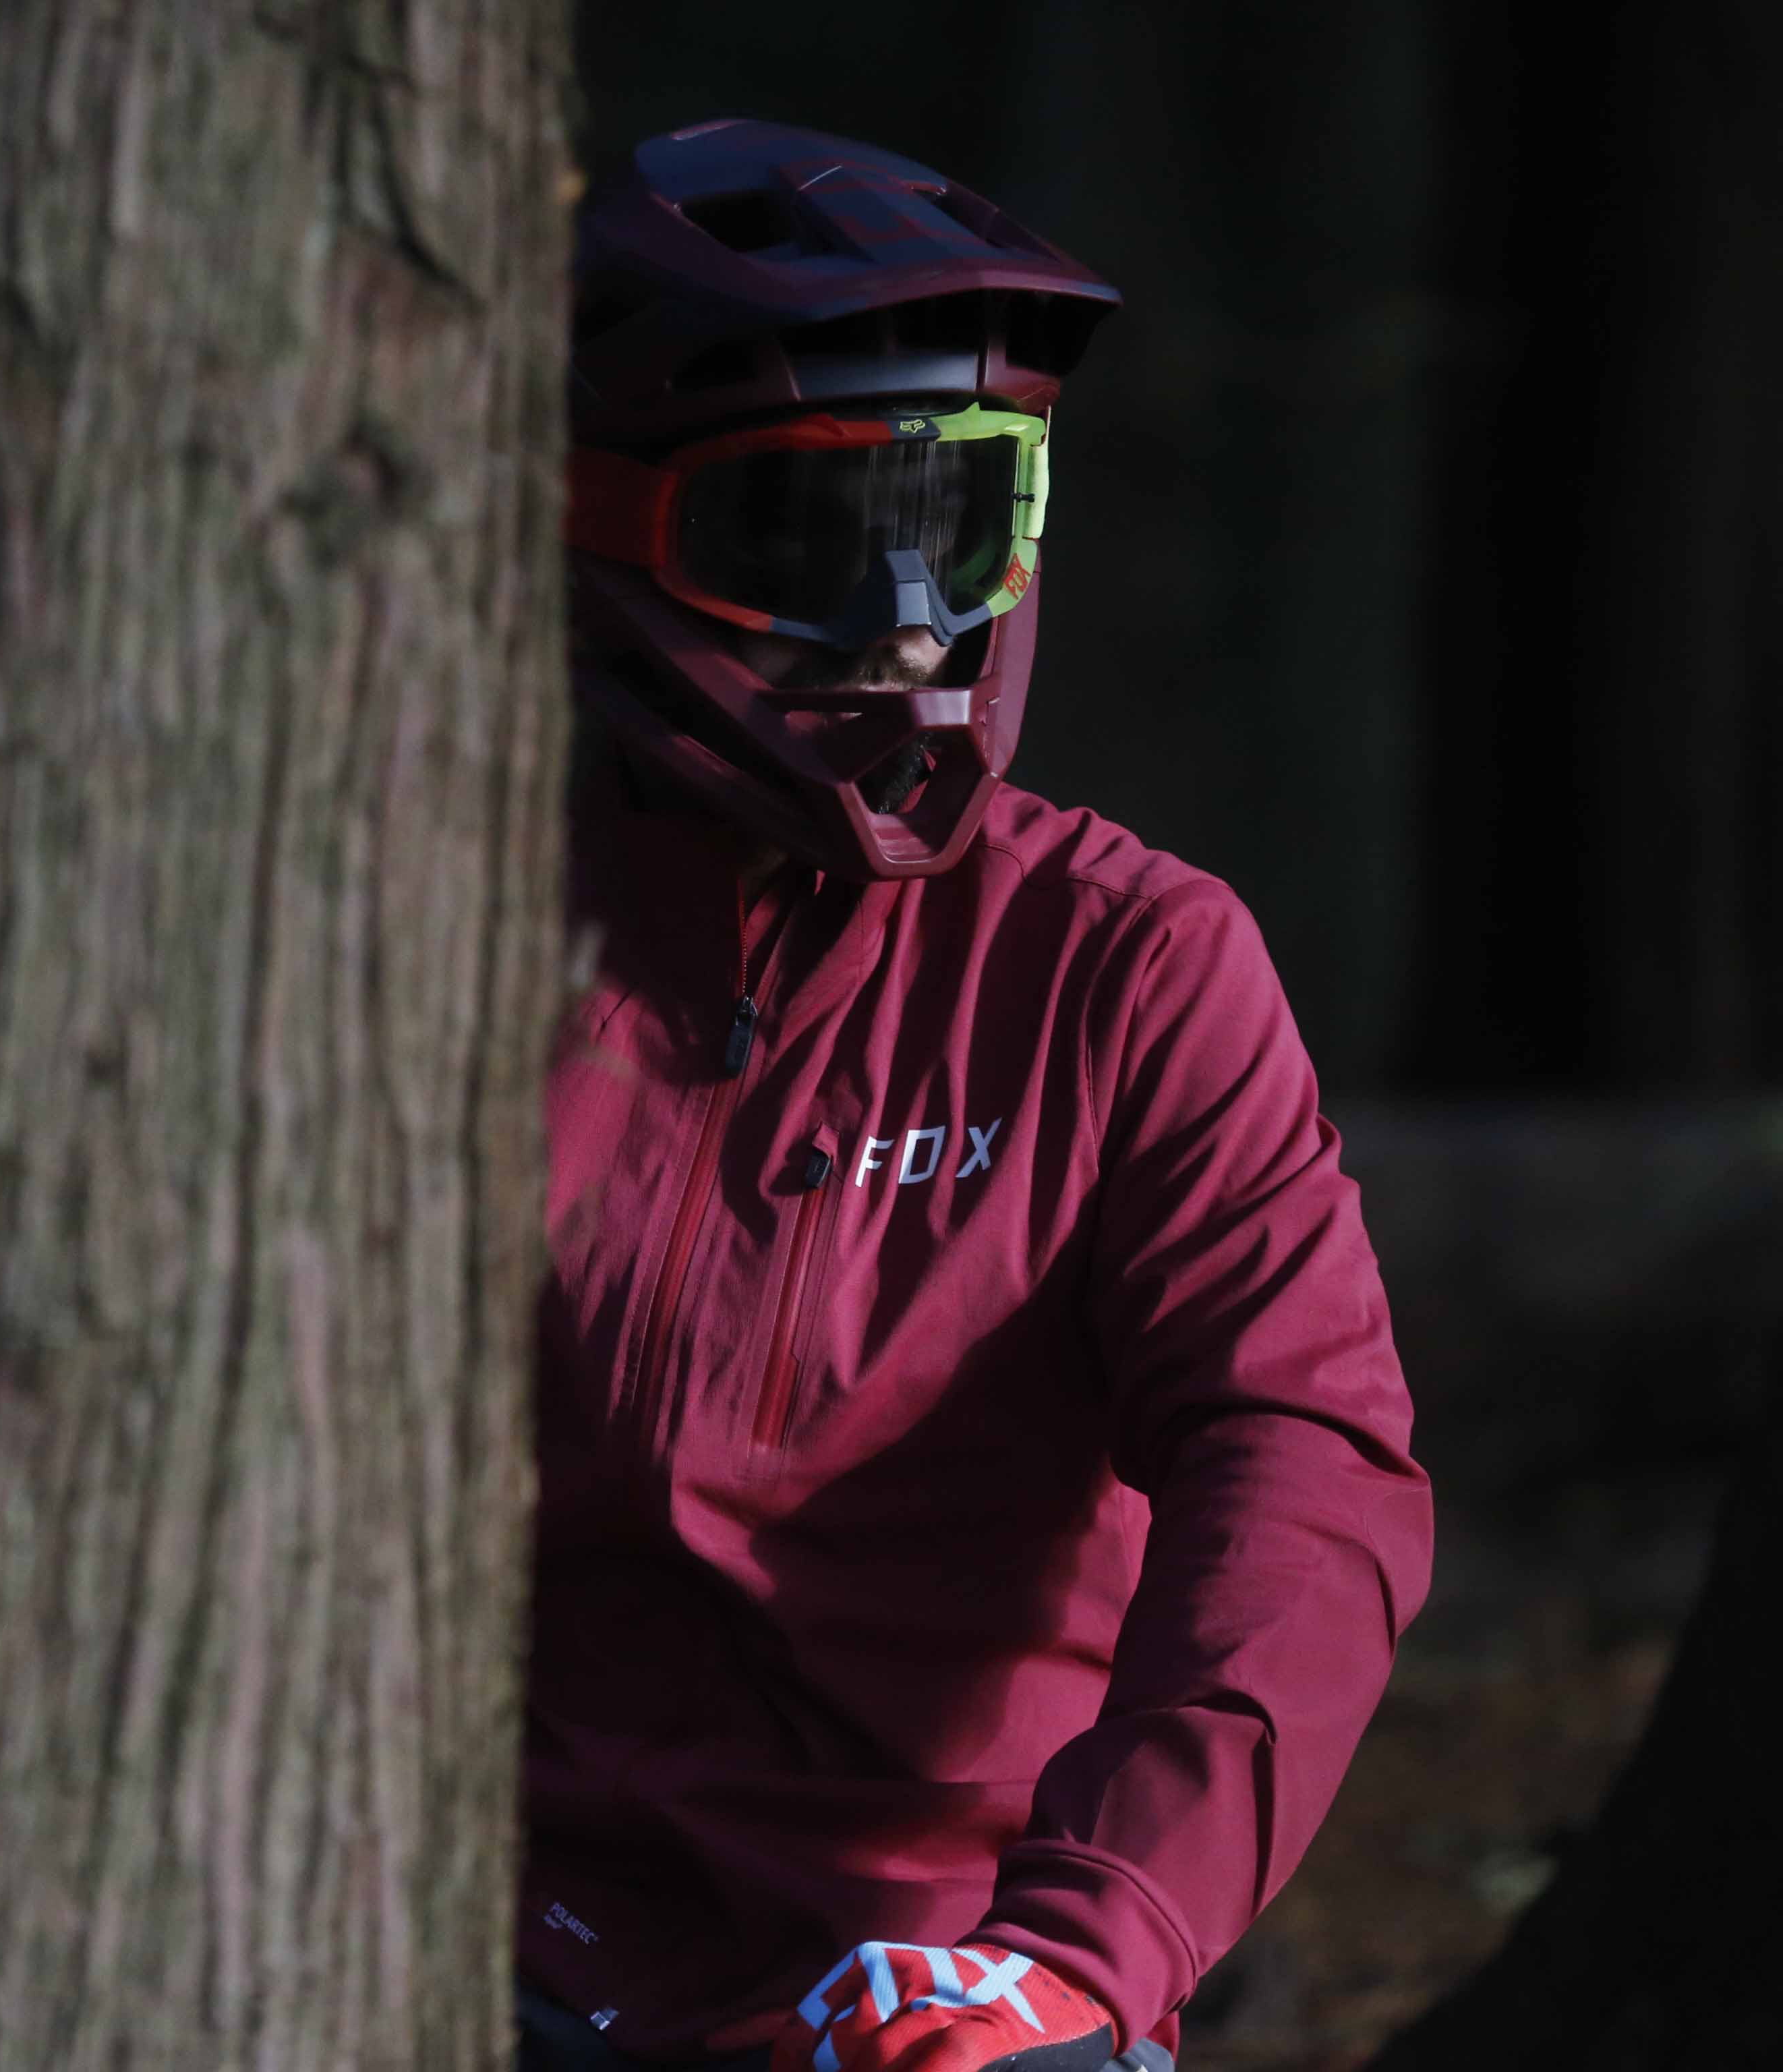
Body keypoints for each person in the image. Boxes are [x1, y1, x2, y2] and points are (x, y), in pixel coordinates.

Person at [518, 119, 1434, 2072]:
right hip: (474, 1924)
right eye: (802, 530)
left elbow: (1303, 1459)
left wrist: (1089, 1944)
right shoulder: (423, 951)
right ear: (592, 521)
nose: (912, 618)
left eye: (962, 517)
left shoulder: (1128, 963)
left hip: (947, 1968)